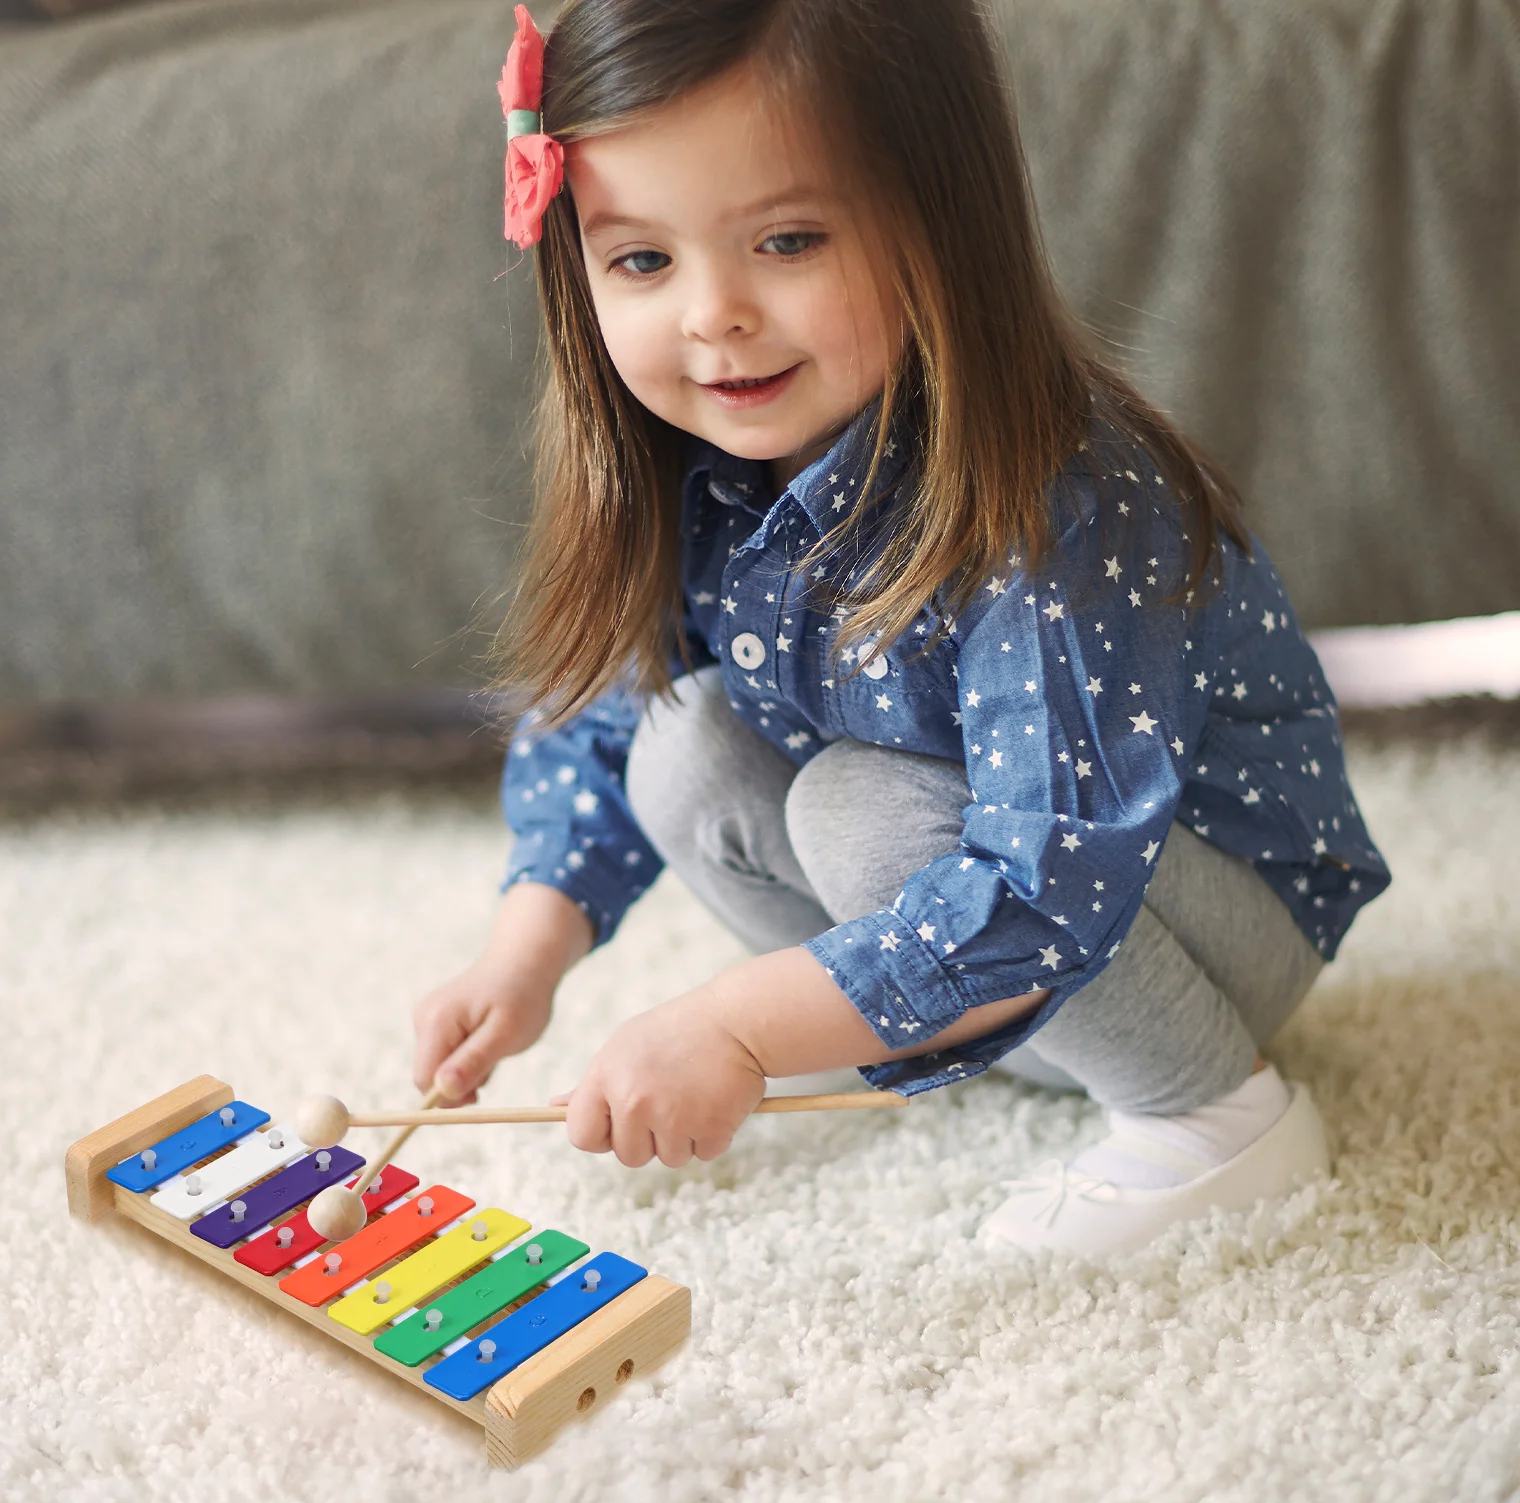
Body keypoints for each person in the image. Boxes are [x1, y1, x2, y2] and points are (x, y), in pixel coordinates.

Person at [410, 0, 1390, 1256]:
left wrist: (739, 1024)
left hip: (1190, 922)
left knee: (858, 810)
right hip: (997, 927)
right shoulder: (694, 457)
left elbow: (1050, 873)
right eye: (641, 261)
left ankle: (1214, 1112)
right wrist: (520, 959)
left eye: (788, 239)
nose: (713, 316)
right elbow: (603, 716)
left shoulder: (1055, 495)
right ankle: (901, 1021)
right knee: (683, 740)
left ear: (939, 224)